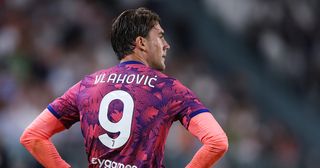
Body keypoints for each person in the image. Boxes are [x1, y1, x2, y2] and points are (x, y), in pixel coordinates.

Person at [20, 7, 228, 168]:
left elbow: (33, 136)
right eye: (160, 36)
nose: (166, 45)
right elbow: (217, 142)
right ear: (142, 43)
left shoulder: (87, 85)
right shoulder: (169, 89)